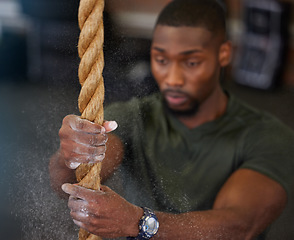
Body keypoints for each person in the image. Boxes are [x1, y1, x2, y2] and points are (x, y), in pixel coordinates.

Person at [49, 0, 294, 239]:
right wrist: (70, 155)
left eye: (191, 62)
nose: (173, 78)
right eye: (162, 60)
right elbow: (69, 182)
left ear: (223, 53)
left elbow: (238, 227)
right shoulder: (134, 116)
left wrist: (139, 222)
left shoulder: (268, 135)